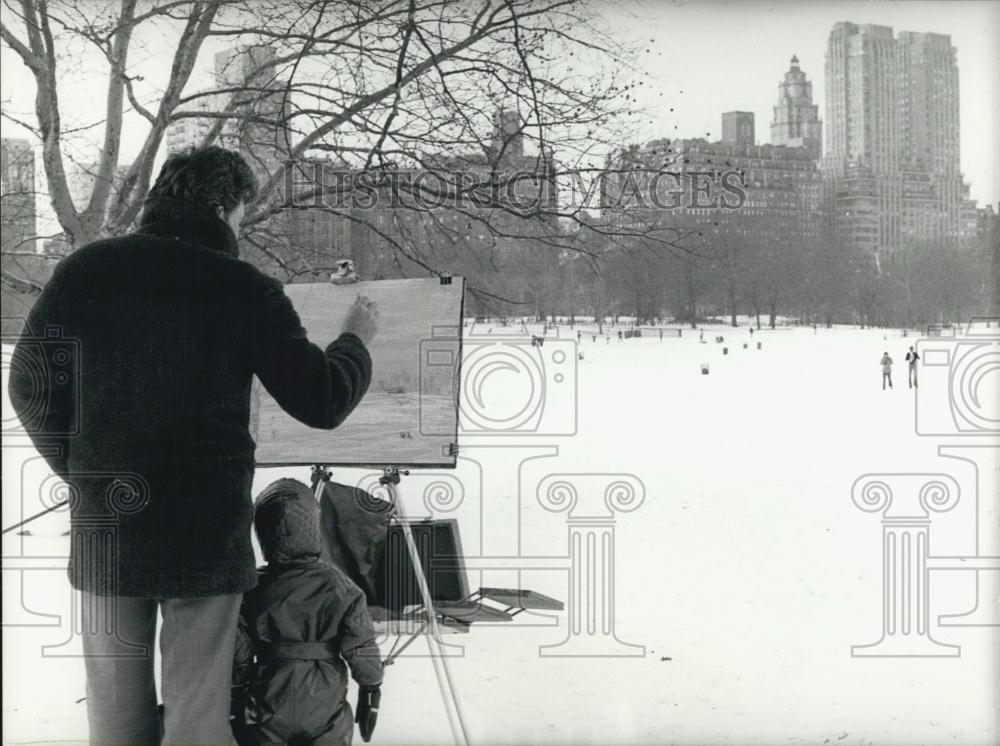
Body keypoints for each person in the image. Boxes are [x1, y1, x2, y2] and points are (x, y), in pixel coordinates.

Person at [7, 146, 378, 745]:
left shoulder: (86, 270)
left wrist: (84, 472)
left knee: (114, 717)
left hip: (108, 525)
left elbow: (28, 385)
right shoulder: (242, 288)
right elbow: (324, 401)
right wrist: (355, 340)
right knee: (196, 715)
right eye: (239, 214)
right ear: (224, 206)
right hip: (201, 533)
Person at [232, 479, 383, 746]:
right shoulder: (341, 586)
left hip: (269, 693)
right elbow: (360, 643)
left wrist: (234, 694)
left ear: (263, 533)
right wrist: (371, 690)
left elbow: (240, 649)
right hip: (324, 697)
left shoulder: (253, 587)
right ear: (313, 526)